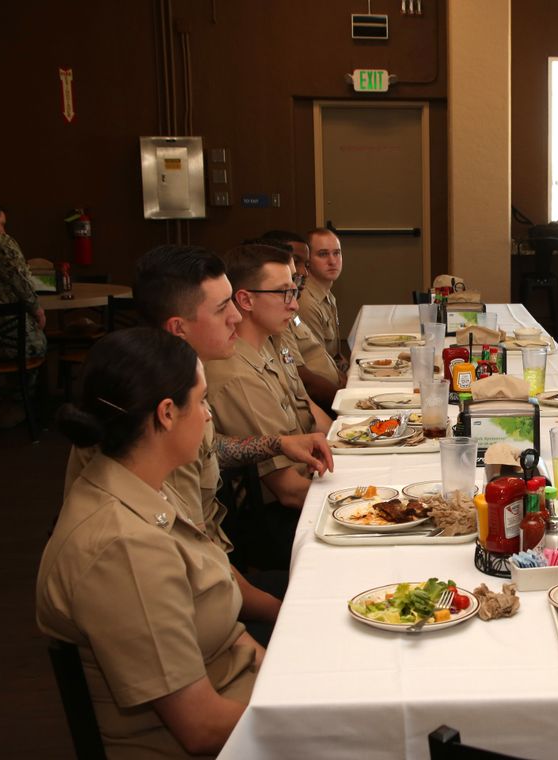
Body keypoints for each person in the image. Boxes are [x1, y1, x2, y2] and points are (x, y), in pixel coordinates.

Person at [63, 244, 335, 635]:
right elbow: (202, 556)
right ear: (178, 328)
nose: (237, 317)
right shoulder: (153, 421)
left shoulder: (178, 382)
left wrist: (274, 443)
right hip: (193, 607)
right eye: (223, 307)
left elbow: (214, 448)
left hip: (215, 579)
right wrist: (287, 616)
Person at [39, 328, 262, 757]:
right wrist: (320, 721)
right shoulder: (122, 549)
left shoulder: (144, 484)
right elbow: (199, 727)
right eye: (201, 401)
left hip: (246, 702)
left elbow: (228, 625)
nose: (209, 416)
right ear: (165, 413)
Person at [205, 244, 332, 569]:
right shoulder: (236, 374)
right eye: (283, 293)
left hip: (313, 485)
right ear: (245, 300)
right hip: (280, 522)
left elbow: (317, 420)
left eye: (295, 290)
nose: (294, 303)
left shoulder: (271, 342)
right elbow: (288, 490)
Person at [260, 230, 346, 408]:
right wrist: (348, 402)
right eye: (294, 262)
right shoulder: (282, 312)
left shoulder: (294, 305)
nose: (302, 272)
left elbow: (326, 357)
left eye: (304, 264)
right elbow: (305, 382)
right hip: (324, 403)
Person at [0, 198, 47, 362]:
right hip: (7, 335)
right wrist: (36, 309)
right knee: (38, 345)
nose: (3, 230)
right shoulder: (0, 241)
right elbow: (20, 280)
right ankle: (22, 388)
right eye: (2, 224)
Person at [299, 227, 345, 368]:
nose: (332, 261)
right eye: (323, 254)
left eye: (336, 253)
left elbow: (334, 356)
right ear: (308, 260)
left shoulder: (326, 293)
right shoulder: (306, 302)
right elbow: (317, 366)